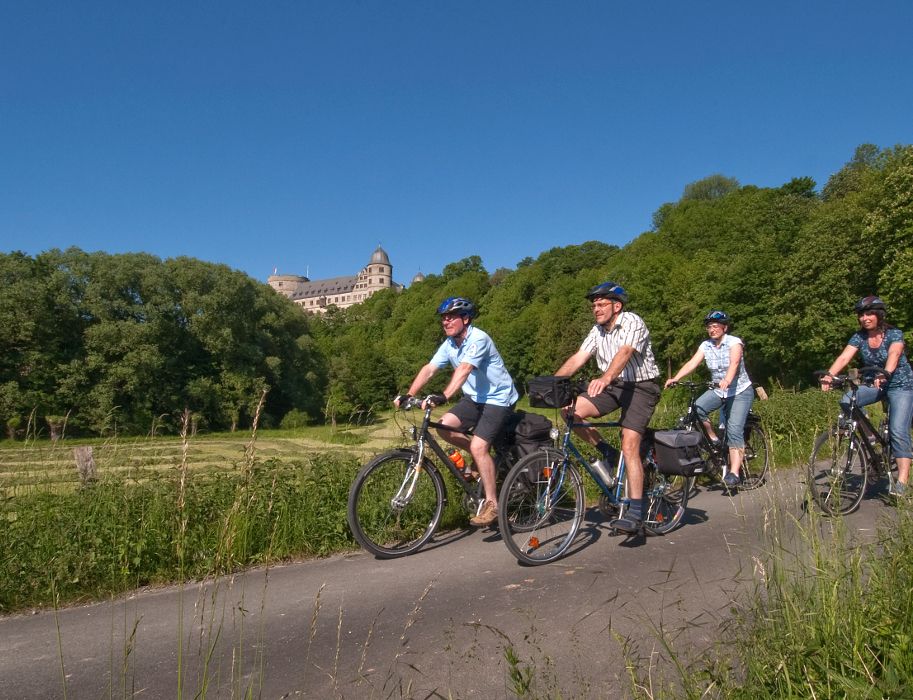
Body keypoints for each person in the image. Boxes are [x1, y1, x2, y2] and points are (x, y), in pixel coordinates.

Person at [395, 296, 519, 526]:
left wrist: (443, 396)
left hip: (499, 399)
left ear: (466, 319)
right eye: (443, 318)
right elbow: (430, 368)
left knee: (478, 446)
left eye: (451, 317)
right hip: (475, 399)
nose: (446, 321)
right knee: (445, 426)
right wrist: (410, 394)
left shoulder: (478, 338)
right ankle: (483, 461)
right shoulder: (450, 344)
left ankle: (492, 504)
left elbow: (464, 369)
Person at [555, 282, 661, 533]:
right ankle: (607, 452)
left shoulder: (633, 321)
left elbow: (625, 353)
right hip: (614, 386)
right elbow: (579, 357)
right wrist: (553, 383)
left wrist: (605, 378)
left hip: (641, 387)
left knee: (630, 444)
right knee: (569, 410)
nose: (596, 309)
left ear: (617, 306)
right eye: (594, 305)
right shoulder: (597, 331)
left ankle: (636, 510)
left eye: (601, 304)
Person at [819, 296, 913, 497]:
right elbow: (844, 357)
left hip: (900, 385)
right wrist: (829, 375)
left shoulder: (894, 334)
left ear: (879, 315)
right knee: (847, 400)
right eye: (861, 315)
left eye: (869, 313)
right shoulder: (859, 337)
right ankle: (869, 438)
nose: (865, 318)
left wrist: (884, 373)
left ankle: (902, 481)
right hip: (874, 385)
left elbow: (894, 354)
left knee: (898, 430)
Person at [664, 310, 754, 489]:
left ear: (724, 327)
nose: (712, 330)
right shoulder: (706, 345)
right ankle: (714, 439)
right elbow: (692, 363)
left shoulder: (734, 342)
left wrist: (727, 380)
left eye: (715, 326)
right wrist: (676, 378)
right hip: (719, 390)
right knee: (697, 408)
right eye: (709, 327)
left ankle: (734, 472)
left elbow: (734, 363)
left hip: (739, 391)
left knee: (734, 428)